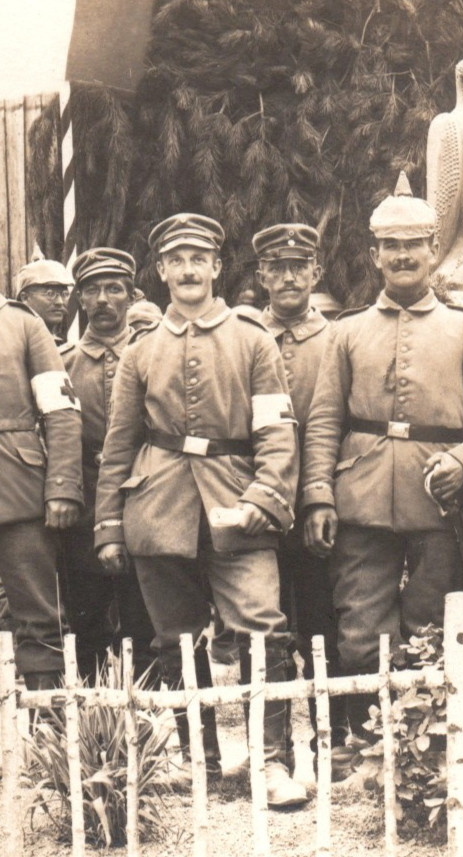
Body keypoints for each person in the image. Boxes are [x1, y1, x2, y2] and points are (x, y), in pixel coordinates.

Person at [94, 213, 308, 808]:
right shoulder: (142, 352)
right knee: (176, 641)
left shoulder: (253, 340)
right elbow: (119, 445)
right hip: (159, 507)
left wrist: (264, 498)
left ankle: (269, 763)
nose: (188, 270)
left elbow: (276, 433)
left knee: (262, 630)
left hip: (238, 504)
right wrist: (110, 524)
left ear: (217, 267)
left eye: (199, 259)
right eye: (176, 260)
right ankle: (200, 762)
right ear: (160, 272)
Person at [302, 174, 463, 735]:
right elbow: (324, 420)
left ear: (431, 252)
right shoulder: (345, 334)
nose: (403, 256)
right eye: (391, 247)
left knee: (431, 626)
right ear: (375, 256)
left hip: (437, 504)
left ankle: (430, 743)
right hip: (361, 502)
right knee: (360, 628)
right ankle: (369, 742)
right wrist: (319, 495)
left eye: (413, 245)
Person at [253, 221, 348, 768]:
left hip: (319, 504)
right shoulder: (243, 334)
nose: (289, 278)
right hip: (262, 505)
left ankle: (332, 742)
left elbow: (334, 425)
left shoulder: (336, 338)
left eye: (299, 267)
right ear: (262, 275)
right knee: (264, 626)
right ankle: (274, 753)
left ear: (315, 273)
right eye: (277, 268)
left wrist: (321, 497)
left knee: (322, 623)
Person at [58, 248, 157, 684]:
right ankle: (100, 732)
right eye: (92, 290)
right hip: (86, 511)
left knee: (147, 620)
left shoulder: (155, 355)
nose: (103, 299)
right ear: (79, 299)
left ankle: (153, 727)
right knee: (90, 624)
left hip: (147, 499)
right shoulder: (61, 364)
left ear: (132, 296)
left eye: (114, 289)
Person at [0, 282, 82, 694]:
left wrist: (63, 487)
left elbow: (62, 412)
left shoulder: (22, 323)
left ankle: (49, 737)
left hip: (16, 488)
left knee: (37, 613)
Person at [16, 251, 73, 344]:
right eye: (50, 294)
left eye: (64, 294)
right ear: (24, 297)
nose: (60, 302)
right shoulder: (11, 342)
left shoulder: (57, 344)